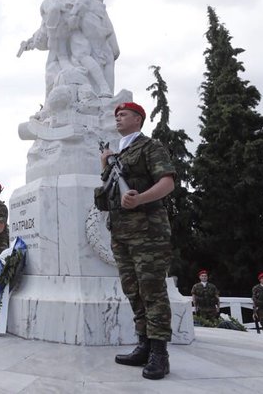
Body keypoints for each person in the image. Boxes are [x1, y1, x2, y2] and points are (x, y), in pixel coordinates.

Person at [94, 102, 175, 380]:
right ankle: (143, 344)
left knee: (152, 289)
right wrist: (105, 163)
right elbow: (108, 192)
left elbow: (167, 182)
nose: (118, 118)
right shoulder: (119, 154)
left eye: (124, 114)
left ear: (138, 119)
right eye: (116, 115)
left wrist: (139, 198)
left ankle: (159, 353)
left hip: (148, 231)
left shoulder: (150, 146)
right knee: (133, 290)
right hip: (121, 232)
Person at [19, 0, 119, 97]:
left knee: (84, 55)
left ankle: (103, 90)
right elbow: (48, 19)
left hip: (84, 22)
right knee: (74, 58)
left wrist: (74, 14)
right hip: (67, 28)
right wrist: (31, 41)